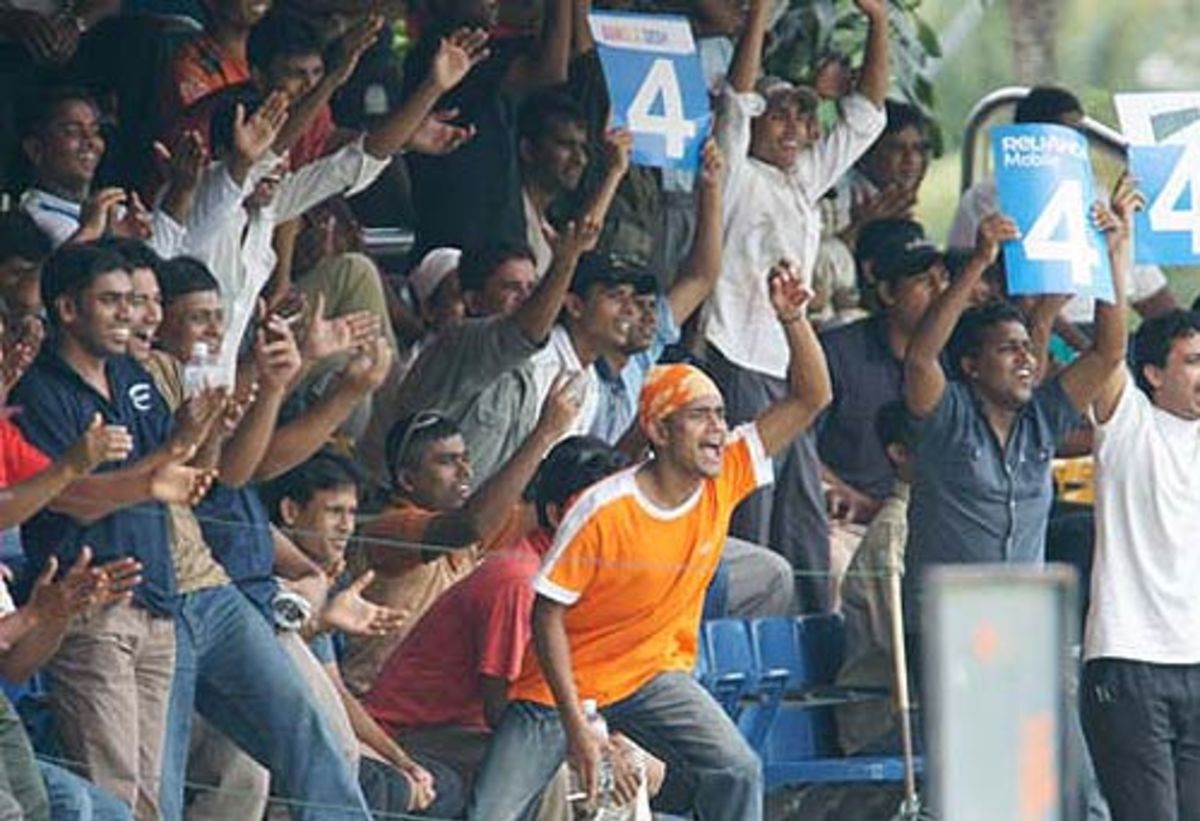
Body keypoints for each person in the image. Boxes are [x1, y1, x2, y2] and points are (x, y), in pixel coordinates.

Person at [468, 262, 832, 820]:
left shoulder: (727, 471)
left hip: (651, 673)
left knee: (738, 768)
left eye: (720, 415)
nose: (718, 429)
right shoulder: (603, 508)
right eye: (699, 417)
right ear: (659, 432)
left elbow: (811, 397)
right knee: (490, 813)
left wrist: (794, 319)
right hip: (559, 689)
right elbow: (546, 617)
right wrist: (578, 728)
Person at [9, 244, 215, 818]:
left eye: (132, 301)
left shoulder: (133, 374)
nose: (130, 315)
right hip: (92, 606)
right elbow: (72, 502)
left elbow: (171, 472)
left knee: (153, 798)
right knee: (114, 796)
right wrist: (168, 457)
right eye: (112, 302)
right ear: (68, 309)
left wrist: (201, 432)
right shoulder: (39, 390)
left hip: (155, 598)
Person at [705, 0, 888, 611]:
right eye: (778, 114)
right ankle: (735, 646)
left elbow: (864, 119)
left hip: (788, 370)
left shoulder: (802, 182)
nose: (791, 127)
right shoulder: (735, 175)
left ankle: (803, 655)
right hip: (735, 356)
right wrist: (757, 14)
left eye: (802, 118)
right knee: (748, 517)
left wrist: (880, 22)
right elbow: (737, 99)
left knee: (801, 518)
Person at [901, 182, 1137, 629]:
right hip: (948, 628)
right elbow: (920, 358)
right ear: (971, 366)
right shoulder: (947, 416)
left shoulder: (1042, 420)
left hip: (1022, 627)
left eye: (1028, 349)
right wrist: (978, 263)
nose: (1026, 359)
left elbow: (1107, 353)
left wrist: (1110, 259)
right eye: (1009, 350)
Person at [364, 437, 633, 818]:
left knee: (626, 765)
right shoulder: (519, 581)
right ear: (558, 515)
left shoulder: (574, 579)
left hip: (477, 730)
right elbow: (502, 711)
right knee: (555, 770)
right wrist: (588, 745)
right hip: (417, 734)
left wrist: (602, 739)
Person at [342, 371, 581, 694]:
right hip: (369, 703)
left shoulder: (467, 532)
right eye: (447, 462)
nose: (466, 471)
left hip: (429, 711)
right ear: (408, 479)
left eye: (466, 459)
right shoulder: (389, 527)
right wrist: (543, 433)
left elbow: (554, 507)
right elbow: (472, 525)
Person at [266, 451, 467, 818]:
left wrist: (401, 761)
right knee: (382, 788)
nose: (346, 525)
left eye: (352, 512)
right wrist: (322, 621)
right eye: (334, 511)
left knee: (441, 785)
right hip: (279, 744)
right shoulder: (266, 579)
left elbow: (336, 693)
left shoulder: (328, 580)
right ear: (291, 512)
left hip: (335, 739)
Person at [1079, 292, 1200, 821]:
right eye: (1193, 360)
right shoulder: (1127, 425)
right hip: (1128, 665)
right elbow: (1107, 353)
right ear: (1152, 372)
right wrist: (1117, 259)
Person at [947, 85, 1177, 330]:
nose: (1072, 143)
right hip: (1023, 334)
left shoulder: (1098, 198)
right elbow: (972, 291)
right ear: (1027, 137)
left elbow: (1151, 293)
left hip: (1101, 331)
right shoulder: (986, 200)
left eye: (1078, 134)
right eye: (1062, 133)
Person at [401, 0, 573, 259]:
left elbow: (571, 51)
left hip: (489, 236)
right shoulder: (444, 52)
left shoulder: (479, 51)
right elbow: (550, 71)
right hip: (461, 242)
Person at [818, 219, 947, 526]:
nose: (940, 291)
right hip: (849, 522)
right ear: (888, 292)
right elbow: (796, 445)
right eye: (923, 282)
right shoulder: (837, 353)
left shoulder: (960, 356)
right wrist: (852, 499)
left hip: (936, 527)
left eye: (943, 278)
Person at [834, 400, 913, 756]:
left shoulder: (932, 523)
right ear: (900, 453)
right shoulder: (894, 530)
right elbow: (902, 649)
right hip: (883, 723)